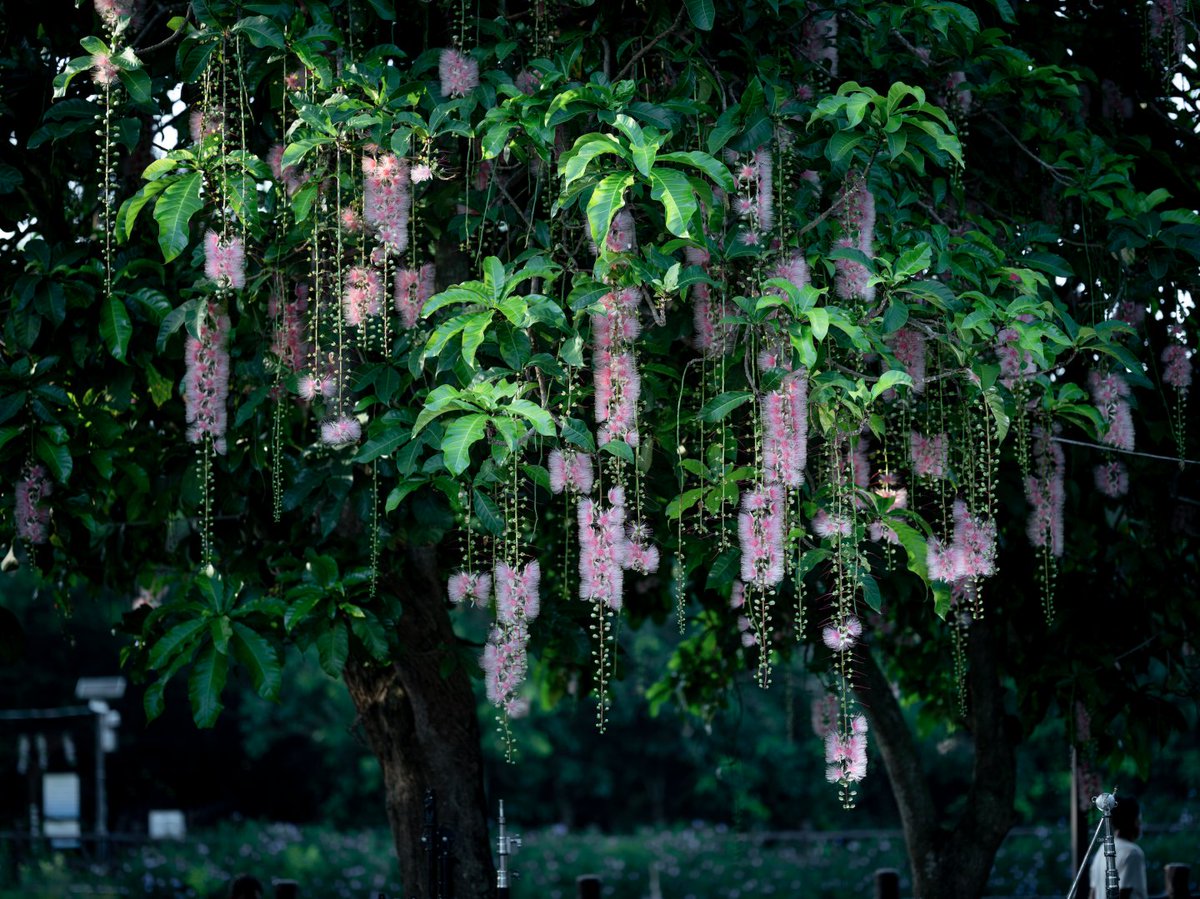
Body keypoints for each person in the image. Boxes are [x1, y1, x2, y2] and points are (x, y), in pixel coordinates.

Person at [1088, 795, 1148, 899]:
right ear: (1133, 821)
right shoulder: (1133, 853)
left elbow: (1092, 894)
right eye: (1139, 820)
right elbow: (1123, 894)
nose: (1140, 825)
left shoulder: (1102, 849)